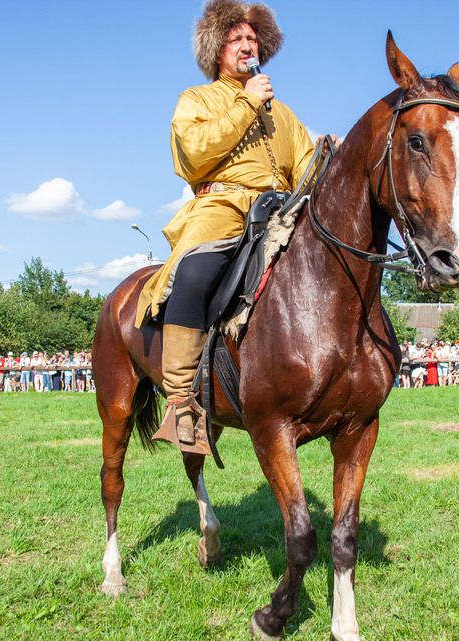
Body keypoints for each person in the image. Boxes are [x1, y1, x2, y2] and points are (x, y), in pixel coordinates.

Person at [133, 0, 315, 452]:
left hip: (279, 209)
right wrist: (246, 102)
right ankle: (180, 405)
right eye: (237, 38)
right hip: (220, 205)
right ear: (218, 50)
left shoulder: (285, 114)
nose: (246, 44)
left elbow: (306, 170)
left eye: (253, 39)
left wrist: (328, 160)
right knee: (193, 274)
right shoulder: (196, 100)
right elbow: (194, 155)